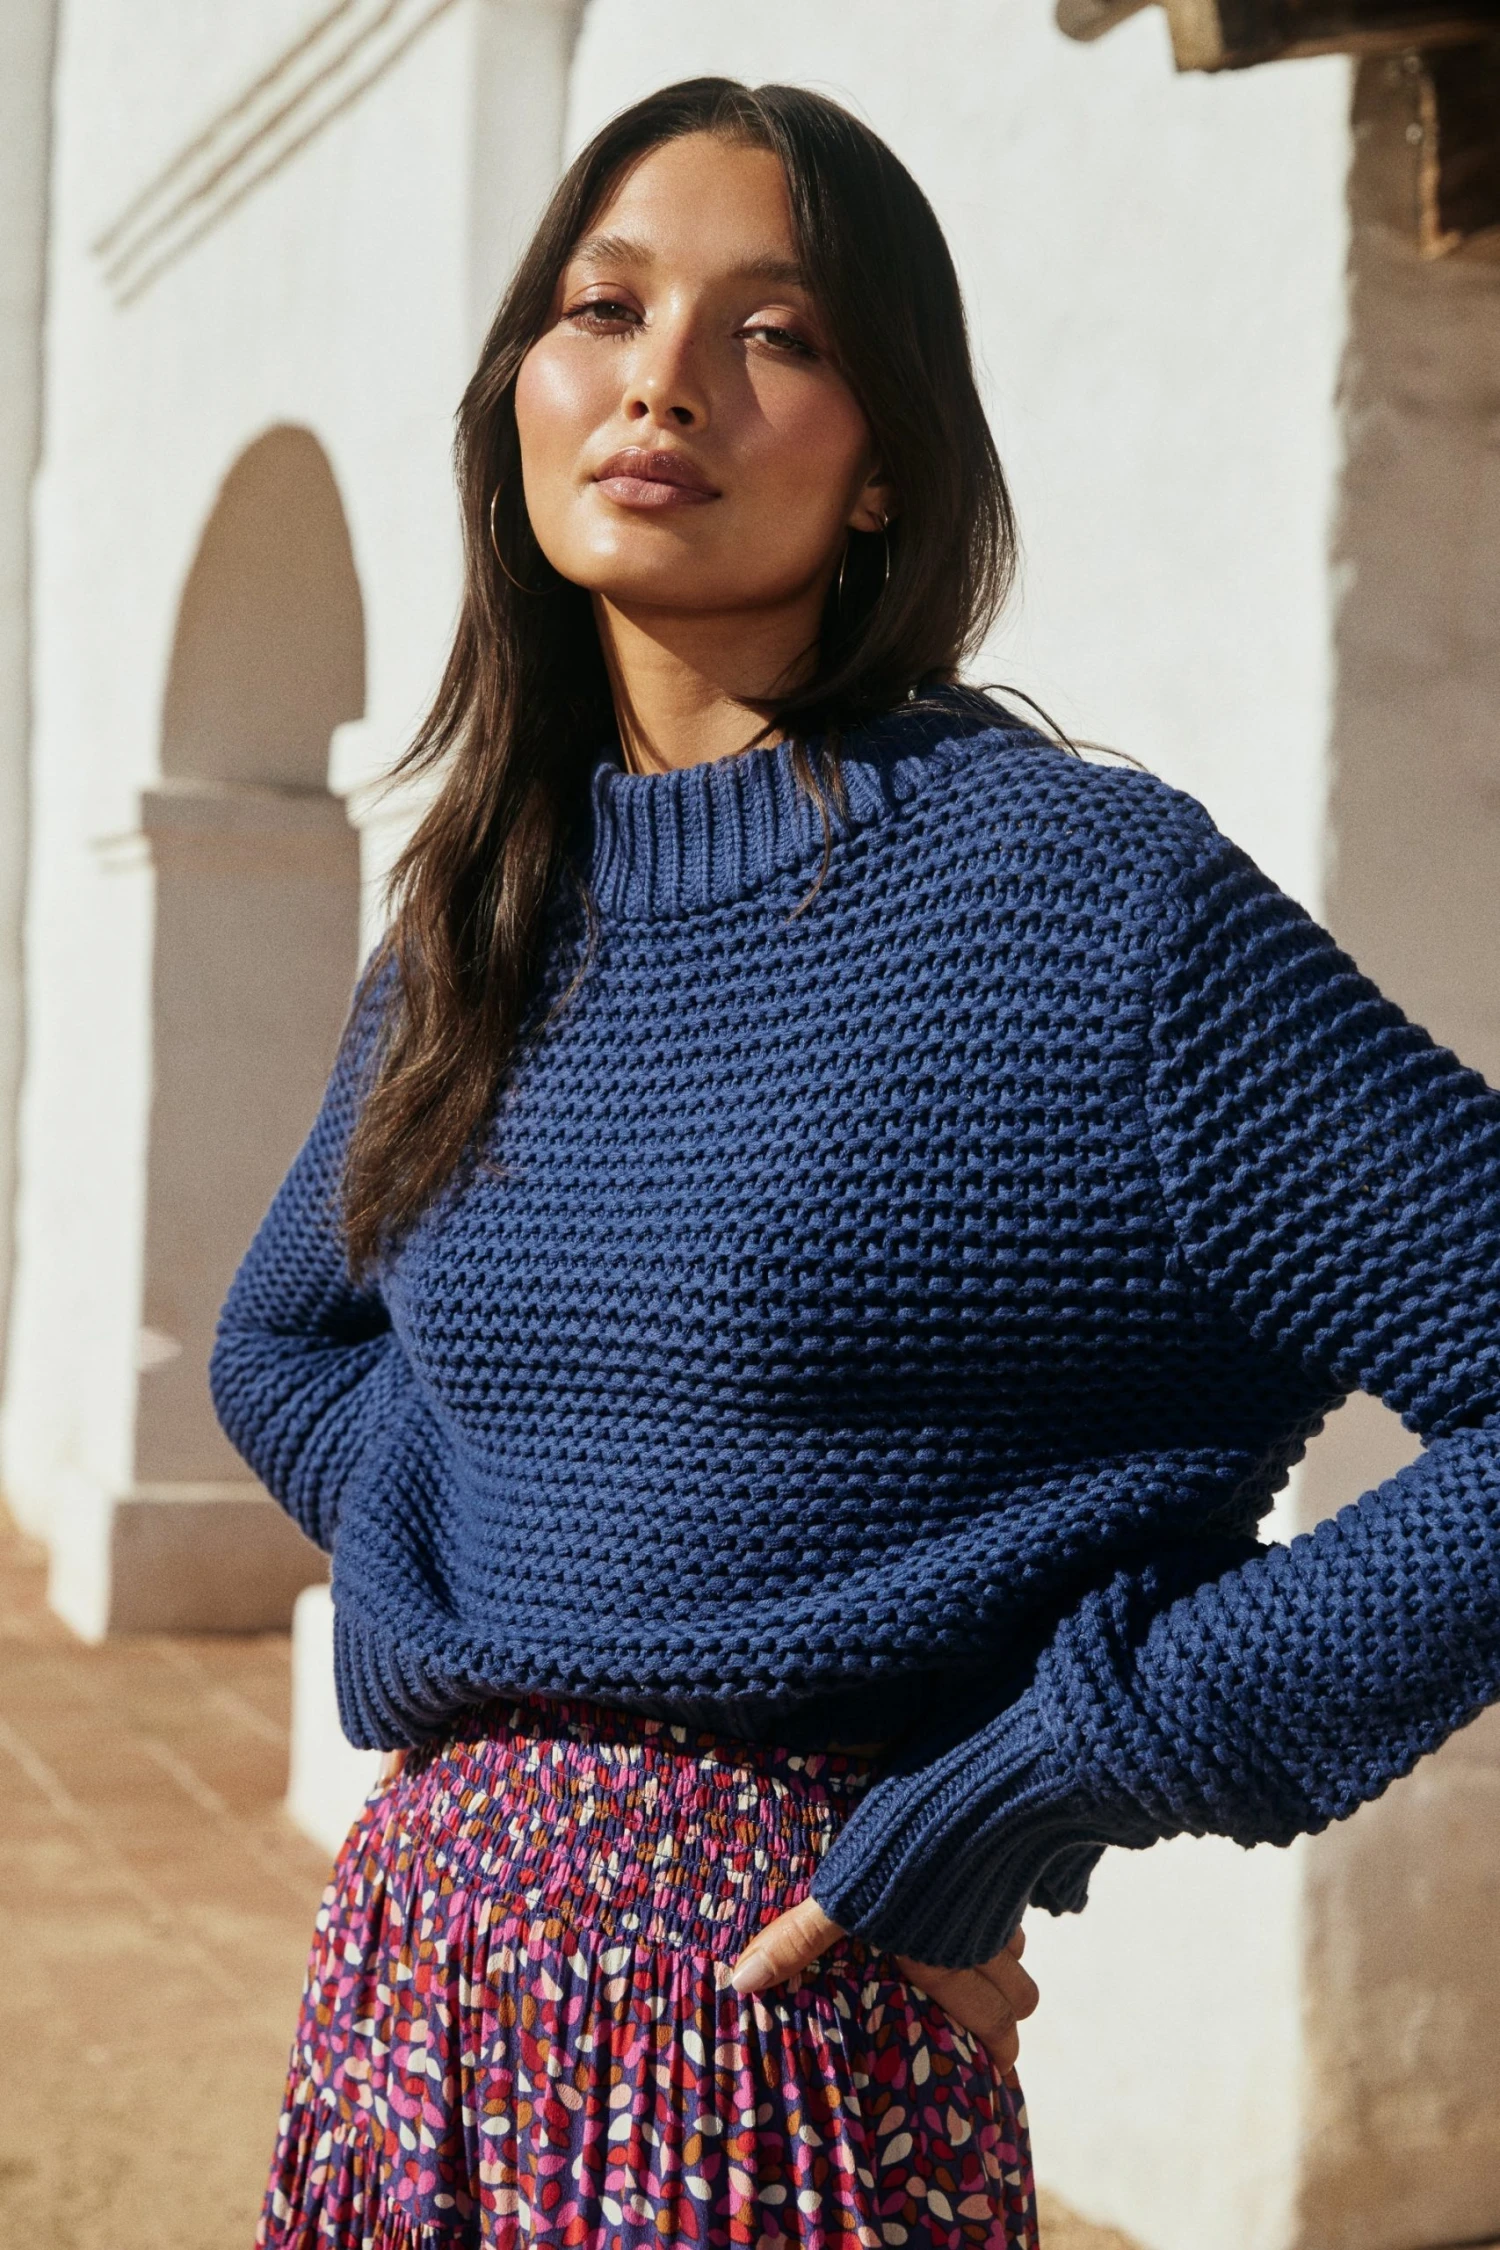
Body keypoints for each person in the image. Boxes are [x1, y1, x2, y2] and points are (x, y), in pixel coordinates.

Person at [211, 74, 1500, 2250]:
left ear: (888, 454)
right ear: (519, 388)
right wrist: (524, 1556)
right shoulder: (485, 910)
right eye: (604, 308)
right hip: (417, 2003)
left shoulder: (1084, 907)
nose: (664, 383)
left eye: (777, 334)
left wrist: (1051, 1770)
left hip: (785, 2050)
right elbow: (283, 1344)